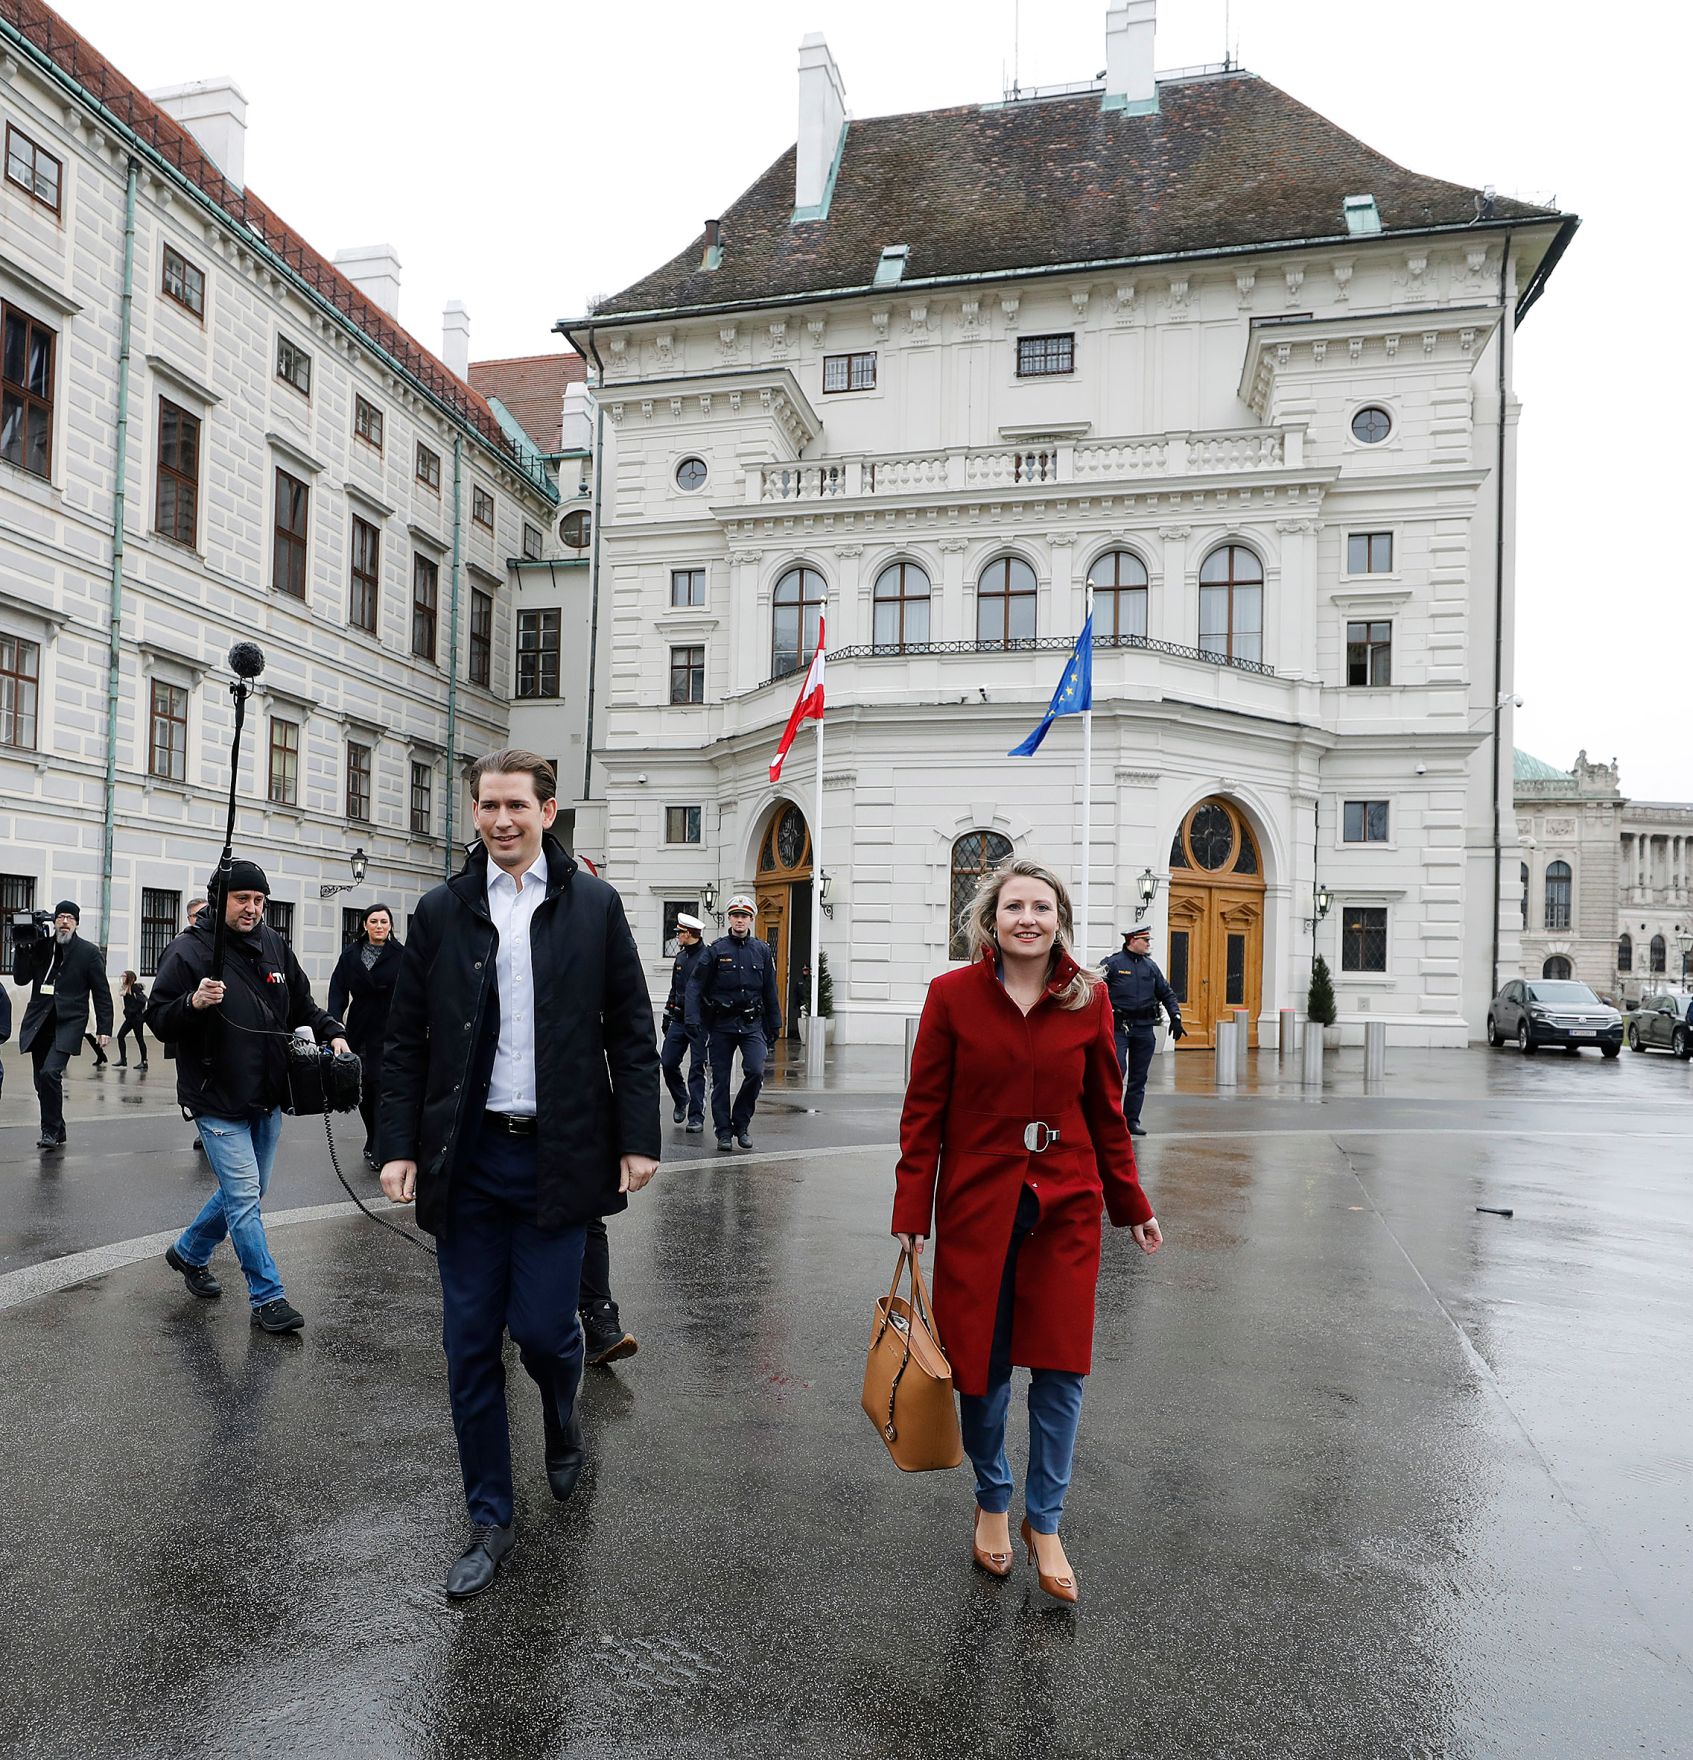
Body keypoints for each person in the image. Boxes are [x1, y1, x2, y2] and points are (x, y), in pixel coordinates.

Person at [379, 748, 660, 1600]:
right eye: (488, 806)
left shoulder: (595, 906)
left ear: (548, 811)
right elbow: (404, 1040)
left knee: (542, 1332)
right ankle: (490, 1517)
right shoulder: (440, 911)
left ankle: (563, 1415)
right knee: (468, 1345)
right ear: (473, 813)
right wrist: (397, 1145)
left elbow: (632, 1032)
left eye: (517, 806)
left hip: (558, 1154)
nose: (502, 820)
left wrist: (637, 1137)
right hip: (467, 1159)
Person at [893, 857, 1163, 1605]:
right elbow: (923, 1113)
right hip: (979, 1203)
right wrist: (911, 1214)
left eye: (1041, 907)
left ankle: (1043, 1520)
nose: (1027, 919)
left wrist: (1131, 1203)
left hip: (1066, 1201)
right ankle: (991, 1502)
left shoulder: (1090, 998)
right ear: (990, 919)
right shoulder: (951, 996)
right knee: (979, 1368)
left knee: (1061, 1369)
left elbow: (1107, 1112)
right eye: (1013, 906)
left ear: (1059, 919)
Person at [147, 861, 349, 1333]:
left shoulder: (275, 944)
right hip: (214, 1096)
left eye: (259, 900)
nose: (253, 909)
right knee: (243, 1198)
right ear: (220, 900)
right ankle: (268, 1297)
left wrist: (334, 1032)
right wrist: (192, 1003)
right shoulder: (189, 951)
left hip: (268, 1091)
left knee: (251, 1191)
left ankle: (190, 1250)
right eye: (243, 899)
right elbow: (158, 1019)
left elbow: (301, 1003)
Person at [11, 900, 112, 1150]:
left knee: (50, 1073)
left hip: (69, 1022)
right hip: (39, 1022)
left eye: (70, 917)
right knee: (40, 1082)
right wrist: (23, 948)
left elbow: (101, 992)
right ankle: (59, 1127)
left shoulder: (88, 953)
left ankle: (50, 1132)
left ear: (76, 923)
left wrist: (104, 1028)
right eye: (60, 917)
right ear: (54, 921)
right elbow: (21, 978)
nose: (64, 921)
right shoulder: (42, 947)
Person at [687, 894, 780, 1153]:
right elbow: (695, 984)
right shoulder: (716, 950)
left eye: (745, 916)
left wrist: (775, 1024)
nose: (740, 920)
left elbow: (770, 989)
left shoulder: (761, 950)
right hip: (721, 1024)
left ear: (751, 919)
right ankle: (724, 1132)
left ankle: (741, 1123)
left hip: (751, 1023)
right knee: (721, 1080)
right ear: (729, 918)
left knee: (755, 1071)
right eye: (735, 915)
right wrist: (693, 1019)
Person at [327, 902, 404, 1171]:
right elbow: (337, 990)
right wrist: (333, 1022)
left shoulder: (402, 955)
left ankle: (383, 1148)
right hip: (359, 1028)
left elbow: (414, 993)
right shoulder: (351, 954)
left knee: (384, 1088)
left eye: (384, 921)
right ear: (365, 925)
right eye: (374, 921)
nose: (379, 926)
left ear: (391, 925)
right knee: (364, 1089)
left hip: (390, 1029)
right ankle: (373, 1136)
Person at [1098, 923, 1182, 1136]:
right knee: (1116, 1072)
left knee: (1139, 1077)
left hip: (1144, 1029)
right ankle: (1110, 1119)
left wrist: (1176, 1017)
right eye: (1145, 940)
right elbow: (1095, 993)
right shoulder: (1113, 964)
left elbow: (1167, 993)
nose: (1148, 944)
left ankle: (1131, 1121)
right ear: (1132, 940)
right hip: (1119, 1028)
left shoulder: (1150, 967)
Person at [660, 912, 709, 1132]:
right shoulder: (680, 958)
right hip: (679, 1019)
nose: (677, 936)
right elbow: (675, 989)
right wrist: (667, 1014)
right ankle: (682, 1099)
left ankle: (696, 1116)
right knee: (668, 1062)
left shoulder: (708, 957)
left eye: (679, 932)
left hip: (699, 1021)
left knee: (697, 1068)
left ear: (689, 934)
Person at [115, 971, 149, 1068]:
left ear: (129, 977)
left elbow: (142, 1001)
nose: (122, 977)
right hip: (129, 1019)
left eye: (124, 976)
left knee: (140, 1039)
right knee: (120, 1036)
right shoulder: (125, 988)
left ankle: (144, 1061)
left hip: (137, 1019)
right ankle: (123, 1059)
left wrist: (133, 1010)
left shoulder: (134, 988)